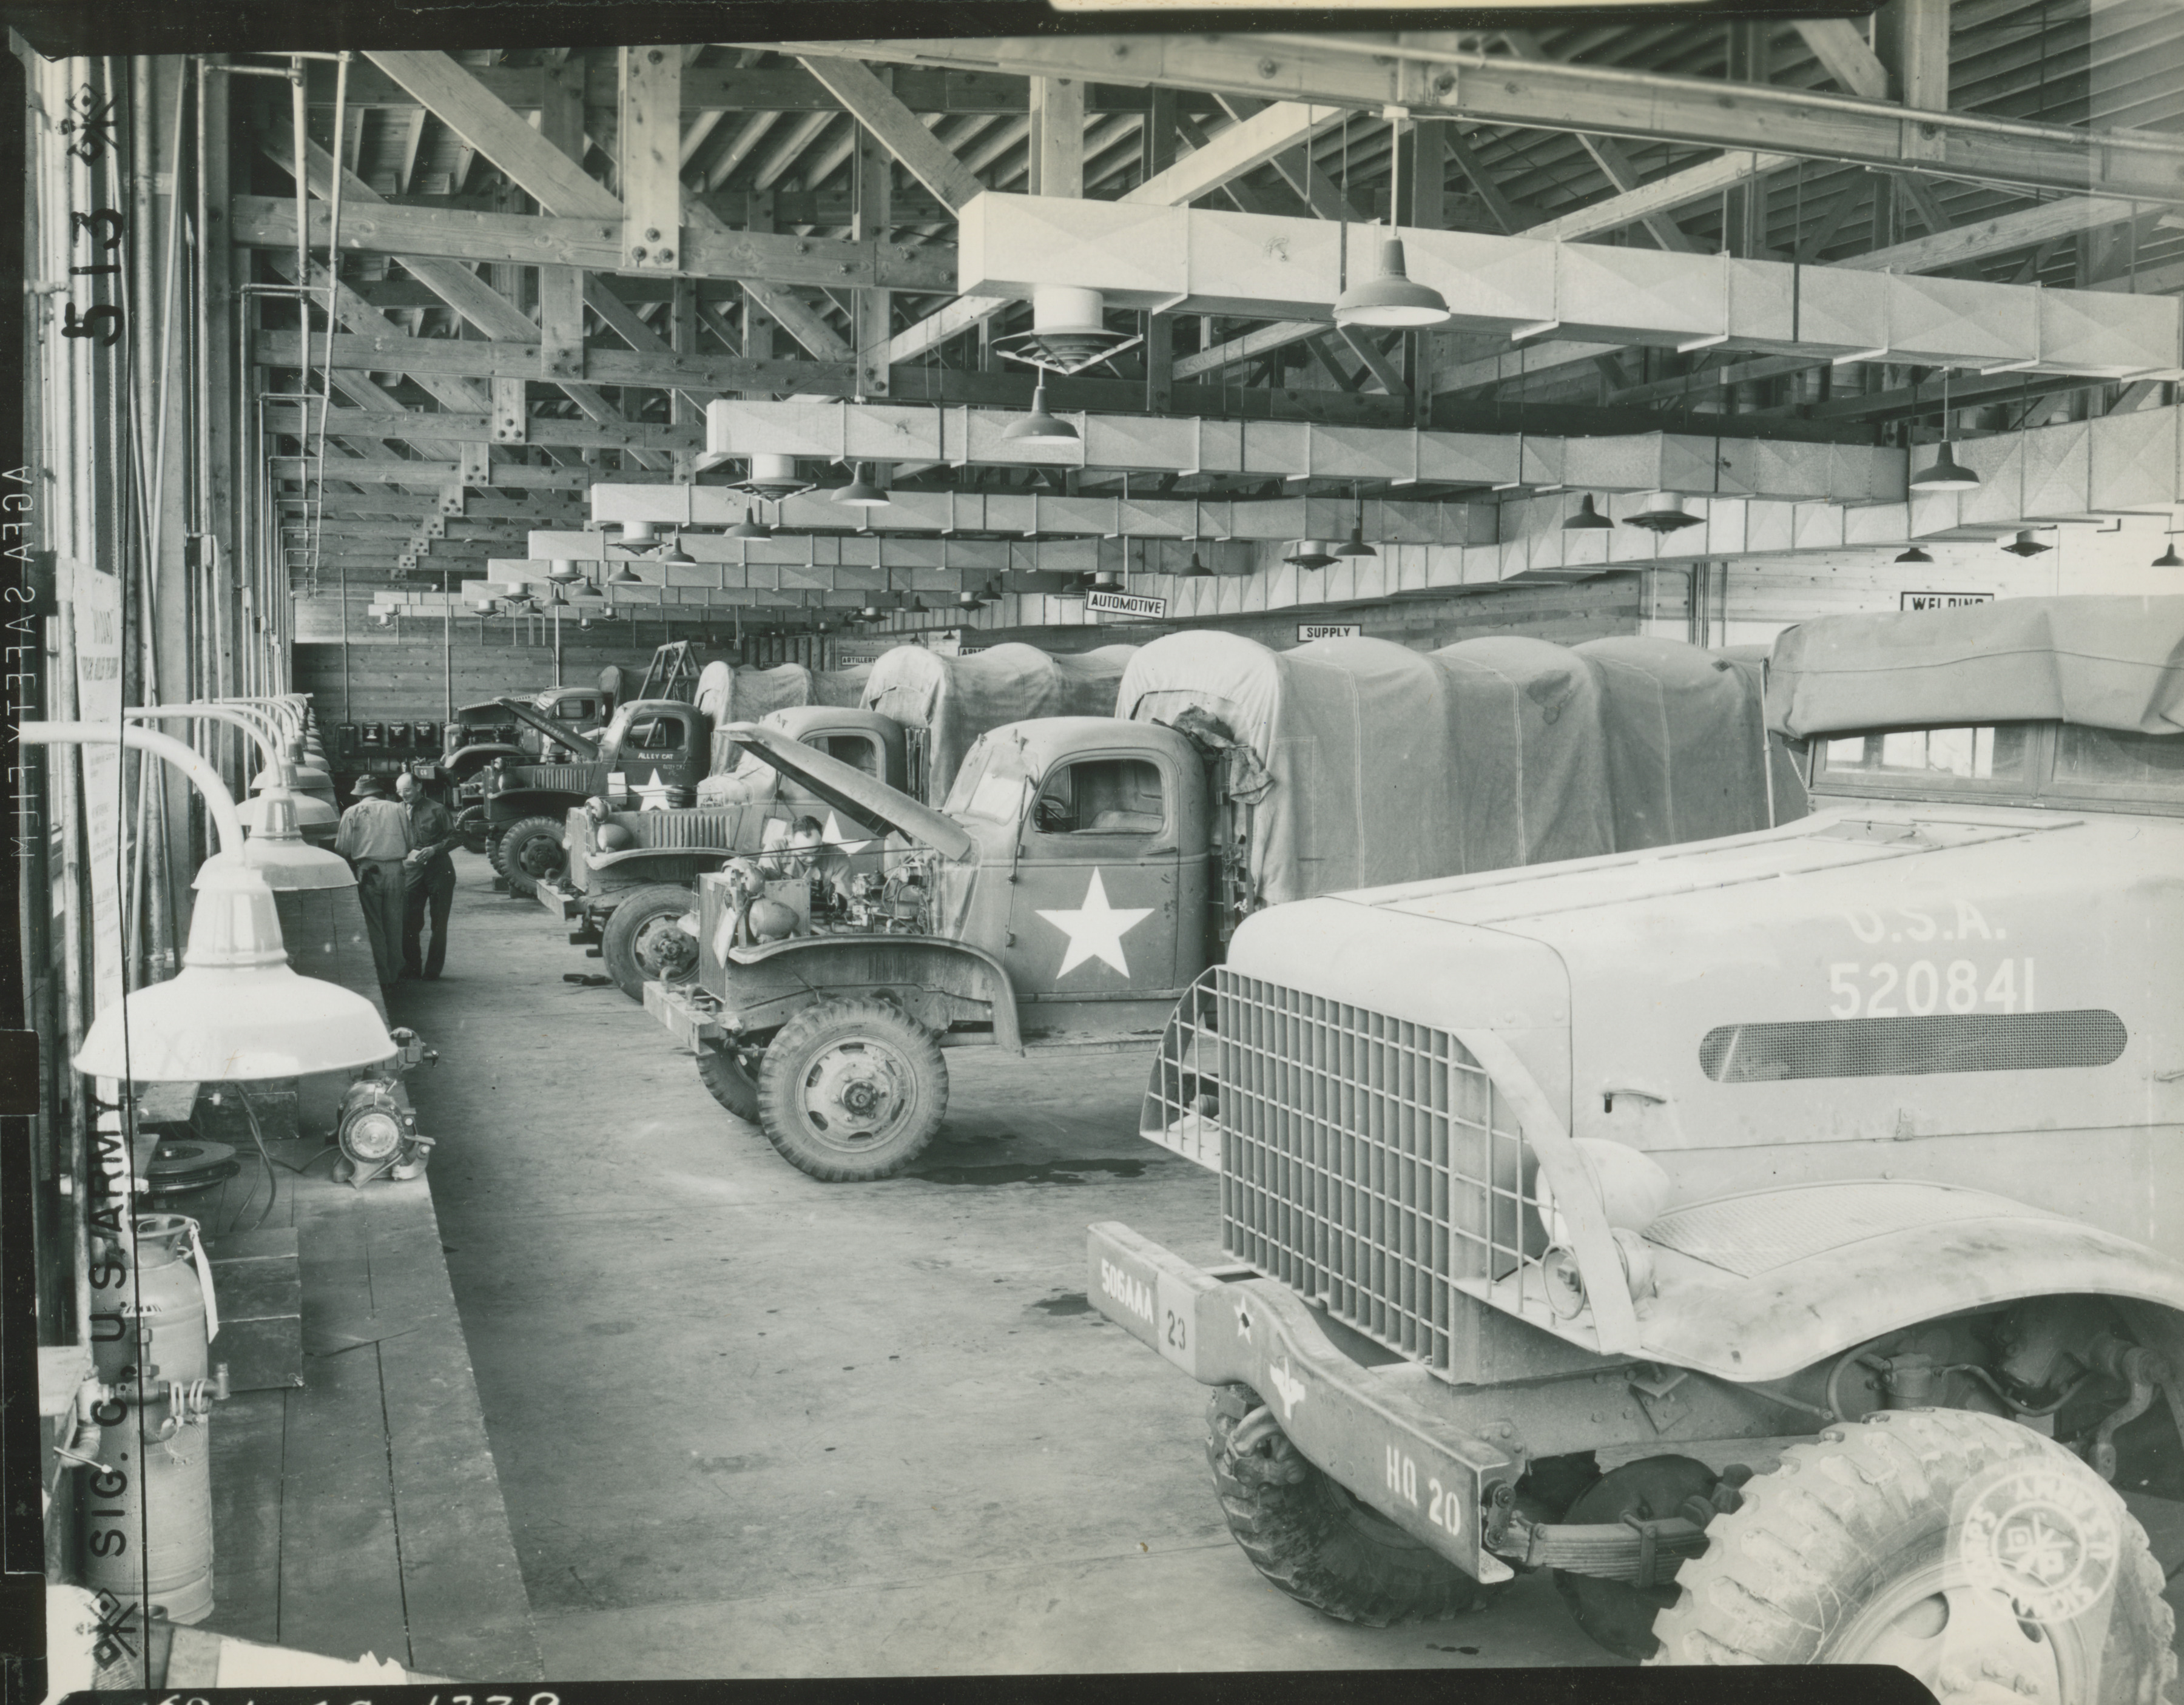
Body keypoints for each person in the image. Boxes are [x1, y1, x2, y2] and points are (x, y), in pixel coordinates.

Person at [335, 774, 414, 997]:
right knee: (394, 922)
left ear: (360, 794)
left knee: (374, 925)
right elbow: (411, 843)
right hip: (396, 871)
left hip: (369, 872)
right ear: (379, 791)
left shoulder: (353, 812)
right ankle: (395, 973)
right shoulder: (398, 809)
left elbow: (342, 849)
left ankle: (383, 977)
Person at [396, 768, 458, 980]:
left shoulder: (437, 810)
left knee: (439, 922)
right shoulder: (396, 811)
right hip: (412, 870)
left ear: (418, 787)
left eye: (406, 790)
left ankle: (433, 970)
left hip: (439, 869)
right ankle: (412, 967)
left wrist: (434, 849)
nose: (403, 795)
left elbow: (455, 837)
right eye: (399, 792)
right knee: (408, 921)